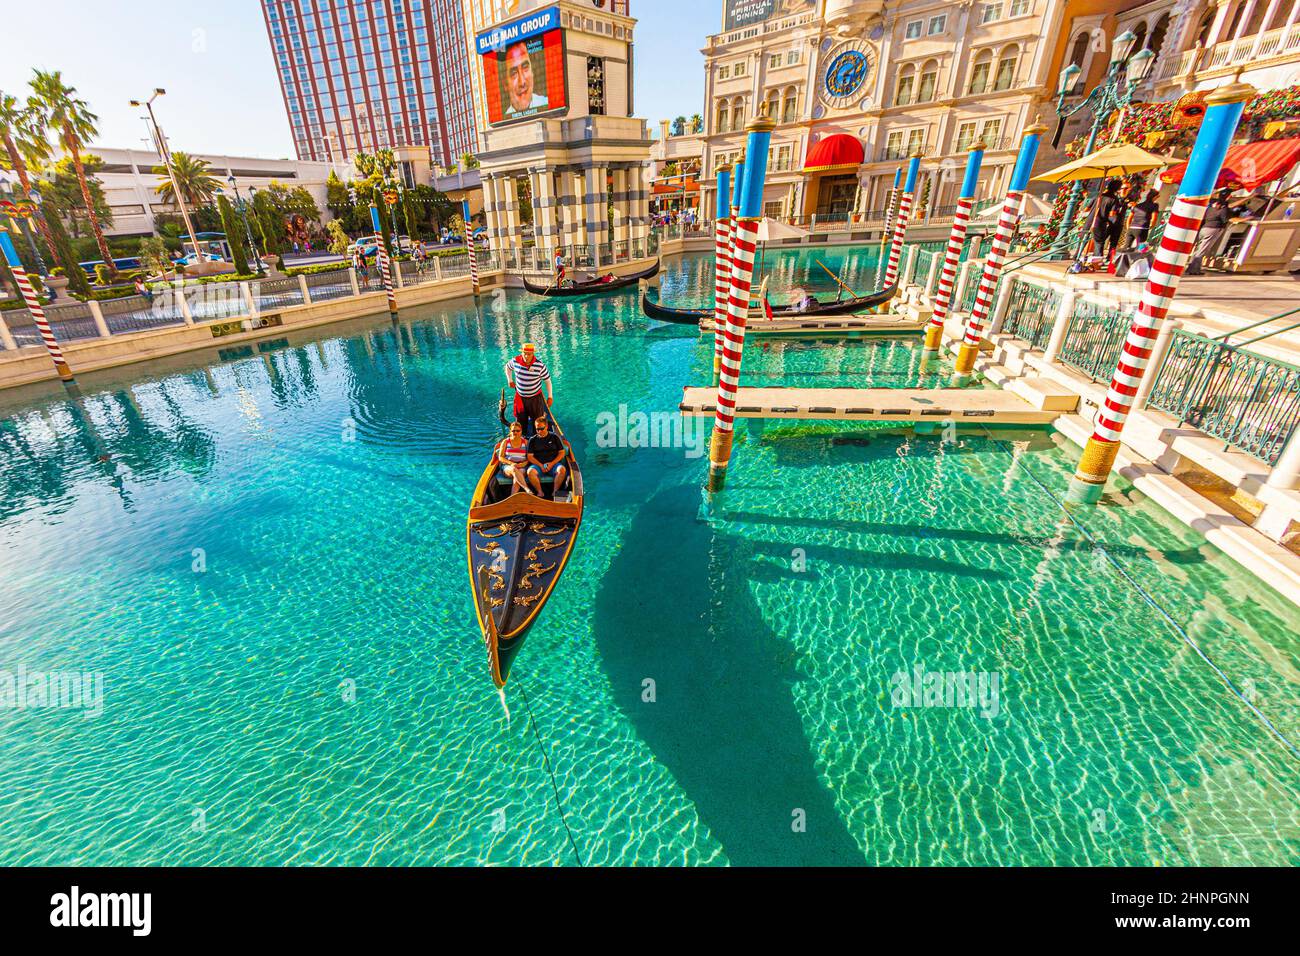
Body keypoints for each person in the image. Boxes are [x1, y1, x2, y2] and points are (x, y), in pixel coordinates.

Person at [505, 343, 553, 436]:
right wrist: (510, 380)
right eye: (524, 353)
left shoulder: (540, 366)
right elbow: (507, 367)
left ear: (533, 354)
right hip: (520, 397)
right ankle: (522, 439)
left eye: (529, 354)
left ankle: (537, 439)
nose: (526, 356)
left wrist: (550, 397)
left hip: (535, 398)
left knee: (537, 422)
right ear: (522, 353)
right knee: (521, 421)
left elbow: (547, 381)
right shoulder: (515, 361)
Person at [1190, 188, 1234, 272]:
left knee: (1199, 249)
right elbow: (1225, 219)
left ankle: (1193, 268)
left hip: (1204, 229)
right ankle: (1193, 269)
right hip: (1213, 229)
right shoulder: (1223, 209)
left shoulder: (1209, 208)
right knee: (1202, 250)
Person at [526, 416, 568, 499]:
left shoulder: (555, 437)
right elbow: (530, 457)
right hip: (538, 465)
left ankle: (555, 492)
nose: (539, 431)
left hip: (553, 464)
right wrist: (540, 465)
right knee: (530, 472)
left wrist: (552, 464)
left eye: (541, 428)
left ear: (547, 426)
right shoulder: (532, 440)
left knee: (562, 470)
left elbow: (562, 452)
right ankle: (540, 492)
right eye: (537, 429)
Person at [504, 41, 548, 118]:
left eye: (525, 68)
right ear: (505, 85)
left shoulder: (546, 103)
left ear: (532, 72)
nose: (522, 82)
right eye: (514, 74)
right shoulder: (504, 120)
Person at [496, 421, 531, 495]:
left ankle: (512, 497)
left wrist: (522, 464)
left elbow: (529, 458)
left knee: (519, 474)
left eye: (517, 431)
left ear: (521, 431)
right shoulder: (505, 441)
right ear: (510, 431)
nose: (515, 432)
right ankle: (526, 489)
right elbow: (501, 457)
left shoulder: (526, 442)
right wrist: (511, 463)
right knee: (514, 470)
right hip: (508, 466)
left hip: (522, 466)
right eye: (513, 431)